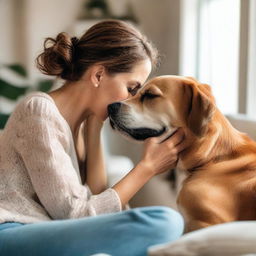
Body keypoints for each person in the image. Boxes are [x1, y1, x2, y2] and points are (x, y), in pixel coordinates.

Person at [0, 20, 186, 256]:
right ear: (98, 75)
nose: (130, 101)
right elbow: (74, 215)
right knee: (165, 221)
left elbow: (99, 203)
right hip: (11, 231)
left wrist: (95, 128)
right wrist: (147, 167)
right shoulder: (39, 111)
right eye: (131, 88)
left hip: (48, 230)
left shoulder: (84, 123)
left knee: (165, 223)